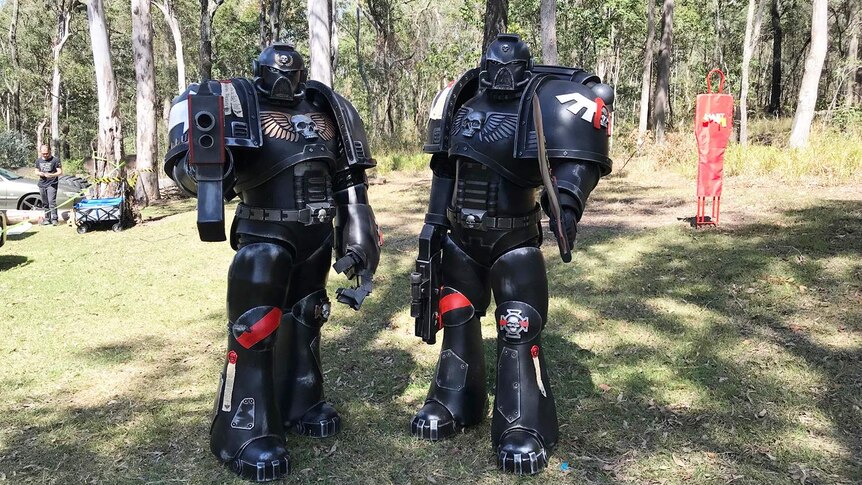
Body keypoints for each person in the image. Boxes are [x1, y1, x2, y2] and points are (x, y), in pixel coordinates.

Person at [164, 43, 380, 481]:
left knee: (308, 314)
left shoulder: (329, 105)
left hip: (317, 234)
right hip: (264, 234)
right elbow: (186, 170)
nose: (286, 79)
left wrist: (358, 235)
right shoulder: (228, 100)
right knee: (255, 327)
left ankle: (301, 400)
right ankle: (243, 428)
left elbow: (349, 180)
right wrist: (207, 166)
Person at [409, 34, 614, 475]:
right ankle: (453, 400)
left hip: (515, 239)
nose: (501, 76)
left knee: (518, 326)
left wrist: (567, 206)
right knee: (457, 317)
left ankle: (523, 421)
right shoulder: (460, 98)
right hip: (459, 237)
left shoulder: (549, 100)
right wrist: (432, 228)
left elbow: (577, 162)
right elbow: (445, 168)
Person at [34, 144, 62, 225]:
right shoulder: (38, 161)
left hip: (52, 184)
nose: (45, 155)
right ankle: (47, 218)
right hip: (42, 184)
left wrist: (52, 175)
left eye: (47, 153)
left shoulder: (55, 160)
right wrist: (40, 173)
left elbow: (60, 172)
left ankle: (54, 219)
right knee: (45, 203)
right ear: (41, 152)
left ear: (49, 151)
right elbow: (36, 171)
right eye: (43, 153)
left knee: (51, 202)